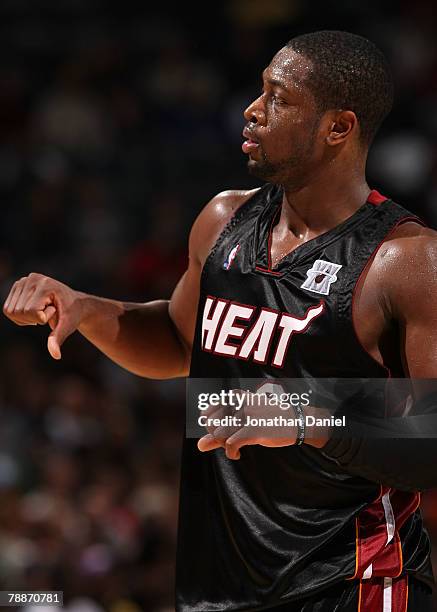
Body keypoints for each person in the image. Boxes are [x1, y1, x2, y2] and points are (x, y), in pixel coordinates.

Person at [3, 30, 437, 611]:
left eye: (278, 99)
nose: (251, 111)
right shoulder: (223, 219)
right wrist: (85, 309)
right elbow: (179, 344)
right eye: (260, 91)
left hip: (354, 581)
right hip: (219, 584)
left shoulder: (406, 261)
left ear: (338, 127)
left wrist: (310, 418)